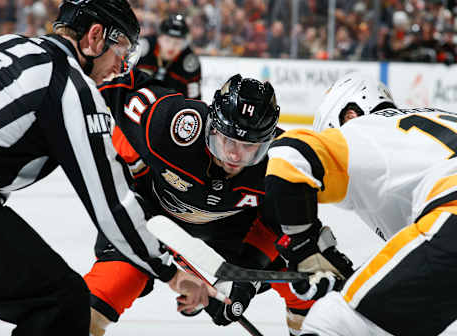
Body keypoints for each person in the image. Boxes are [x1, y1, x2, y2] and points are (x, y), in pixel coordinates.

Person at [0, 0, 222, 334]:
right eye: (121, 50)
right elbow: (112, 204)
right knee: (63, 302)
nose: (122, 66)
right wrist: (171, 271)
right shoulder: (69, 86)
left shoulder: (6, 43)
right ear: (94, 37)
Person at [83, 72, 349, 335]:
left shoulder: (281, 163)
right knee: (108, 289)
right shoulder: (173, 124)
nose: (234, 154)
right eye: (227, 140)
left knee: (308, 287)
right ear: (211, 126)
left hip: (231, 232)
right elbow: (120, 89)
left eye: (249, 147)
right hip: (146, 213)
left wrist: (244, 282)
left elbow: (274, 228)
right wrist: (131, 191)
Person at [265, 71, 457, 336]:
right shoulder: (424, 130)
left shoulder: (366, 128)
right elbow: (414, 263)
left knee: (334, 322)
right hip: (447, 220)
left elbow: (289, 153)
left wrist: (303, 248)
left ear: (350, 115)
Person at [136, 14, 201, 99]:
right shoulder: (143, 48)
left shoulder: (190, 63)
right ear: (159, 38)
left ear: (184, 44)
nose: (171, 47)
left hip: (172, 108)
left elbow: (194, 99)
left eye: (177, 43)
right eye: (167, 40)